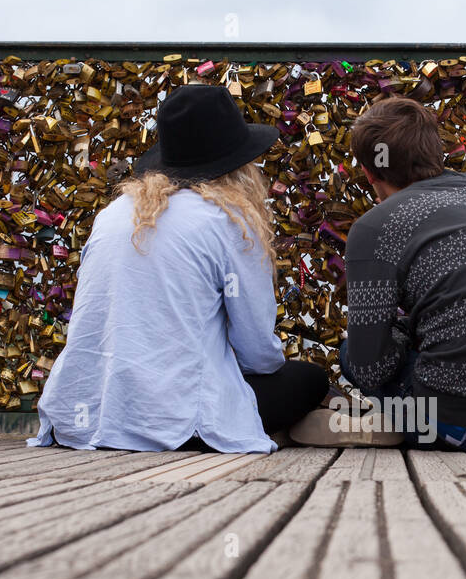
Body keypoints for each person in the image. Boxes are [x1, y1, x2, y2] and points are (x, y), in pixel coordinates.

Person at [28, 85, 328, 453]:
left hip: (83, 412)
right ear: (239, 166)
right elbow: (258, 353)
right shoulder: (230, 221)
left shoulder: (112, 214)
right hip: (179, 421)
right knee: (309, 380)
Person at [289, 96, 466, 451]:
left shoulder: (375, 226)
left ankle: (400, 422)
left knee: (352, 353)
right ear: (436, 152)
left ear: (368, 171)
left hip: (463, 420)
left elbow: (369, 370)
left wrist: (397, 338)